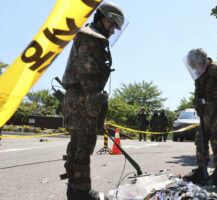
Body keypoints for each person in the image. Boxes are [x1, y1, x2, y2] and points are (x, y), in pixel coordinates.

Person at [60, 2, 126, 200]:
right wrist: (93, 99)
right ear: (104, 19)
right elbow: (86, 67)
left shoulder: (91, 36)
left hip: (80, 97)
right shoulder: (91, 36)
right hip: (83, 98)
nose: (113, 31)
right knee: (83, 146)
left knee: (78, 145)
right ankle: (81, 192)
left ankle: (75, 189)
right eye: (112, 25)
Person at [182, 48, 217, 187]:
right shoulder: (199, 75)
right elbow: (198, 93)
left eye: (196, 65)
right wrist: (198, 104)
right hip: (207, 113)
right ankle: (201, 170)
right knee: (200, 139)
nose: (195, 68)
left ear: (204, 61)